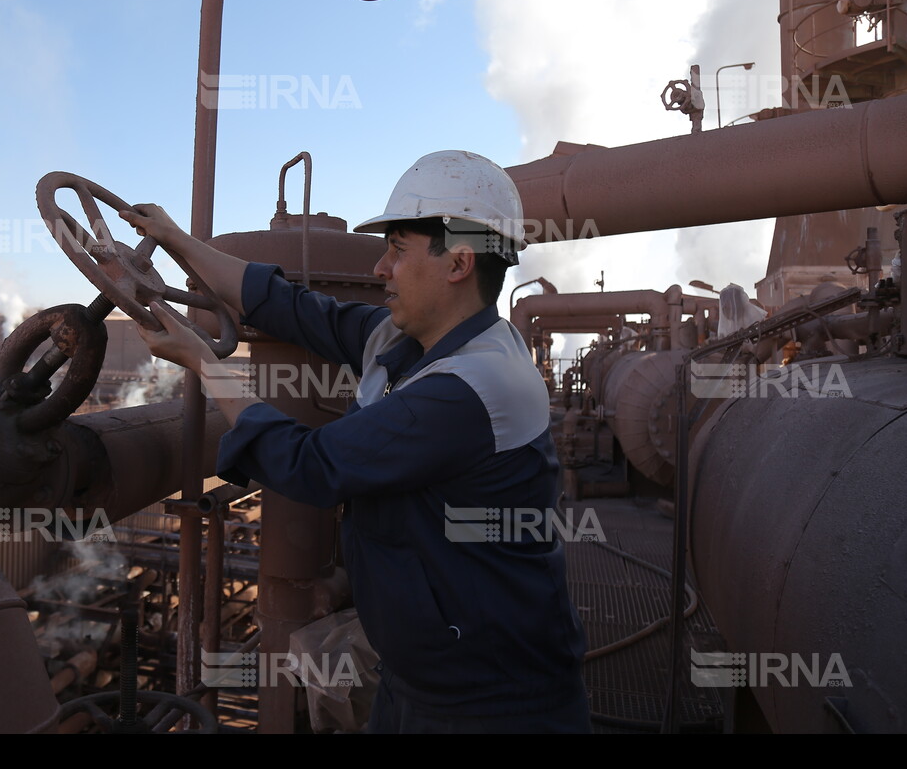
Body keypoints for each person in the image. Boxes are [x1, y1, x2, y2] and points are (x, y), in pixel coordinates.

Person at [121, 150, 589, 733]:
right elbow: (289, 307)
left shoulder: (470, 388)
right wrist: (176, 240)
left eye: (397, 248)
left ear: (459, 262)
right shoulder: (410, 340)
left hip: (489, 700)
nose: (380, 270)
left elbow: (307, 464)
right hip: (422, 670)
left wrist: (201, 360)